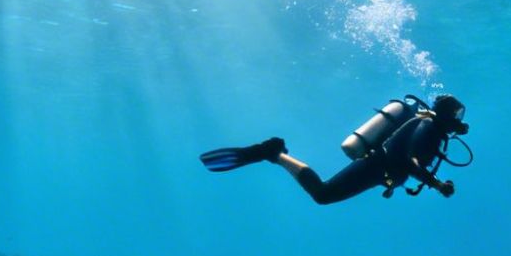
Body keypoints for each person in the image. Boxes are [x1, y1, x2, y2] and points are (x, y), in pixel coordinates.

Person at [200, 94, 468, 205]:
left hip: (380, 172)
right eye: (456, 114)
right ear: (445, 114)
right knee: (323, 194)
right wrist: (437, 184)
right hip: (375, 166)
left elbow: (406, 159)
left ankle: (274, 153)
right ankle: (274, 153)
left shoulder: (431, 127)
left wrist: (393, 184)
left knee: (325, 195)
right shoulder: (428, 127)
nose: (459, 120)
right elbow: (410, 160)